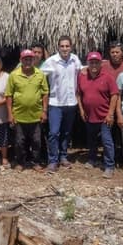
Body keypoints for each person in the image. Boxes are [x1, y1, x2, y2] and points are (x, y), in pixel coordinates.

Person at [41, 36, 82, 172]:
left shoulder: (75, 59)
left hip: (71, 103)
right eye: (62, 46)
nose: (65, 49)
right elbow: (39, 76)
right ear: (58, 47)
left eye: (67, 46)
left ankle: (63, 157)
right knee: (53, 132)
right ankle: (53, 160)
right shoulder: (51, 61)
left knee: (66, 132)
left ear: (71, 47)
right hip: (55, 103)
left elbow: (82, 71)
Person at [76, 51, 119, 177]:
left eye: (96, 62)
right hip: (89, 115)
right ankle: (92, 159)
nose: (94, 64)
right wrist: (82, 110)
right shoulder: (83, 76)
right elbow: (79, 94)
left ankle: (109, 166)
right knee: (91, 140)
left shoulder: (107, 77)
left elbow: (114, 95)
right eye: (91, 62)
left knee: (107, 141)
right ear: (88, 63)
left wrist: (110, 114)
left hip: (104, 117)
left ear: (101, 63)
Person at [5, 49, 49, 171]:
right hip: (19, 115)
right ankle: (20, 162)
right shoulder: (14, 75)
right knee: (19, 142)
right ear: (21, 60)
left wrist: (44, 111)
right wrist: (10, 114)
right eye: (25, 59)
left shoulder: (40, 74)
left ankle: (36, 162)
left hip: (36, 115)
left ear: (34, 60)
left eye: (30, 59)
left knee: (36, 141)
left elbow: (45, 93)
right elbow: (9, 95)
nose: (28, 61)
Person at [104, 41, 123, 168]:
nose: (115, 54)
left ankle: (122, 157)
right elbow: (90, 68)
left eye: (117, 52)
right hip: (107, 103)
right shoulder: (104, 65)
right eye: (112, 52)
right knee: (109, 131)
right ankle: (111, 156)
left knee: (122, 132)